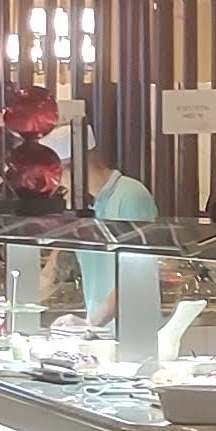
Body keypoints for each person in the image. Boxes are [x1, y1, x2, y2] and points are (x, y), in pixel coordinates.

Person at [75, 137, 162, 327]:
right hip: (102, 330)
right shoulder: (92, 205)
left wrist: (92, 323)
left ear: (73, 167)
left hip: (133, 330)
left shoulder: (131, 194)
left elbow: (137, 272)